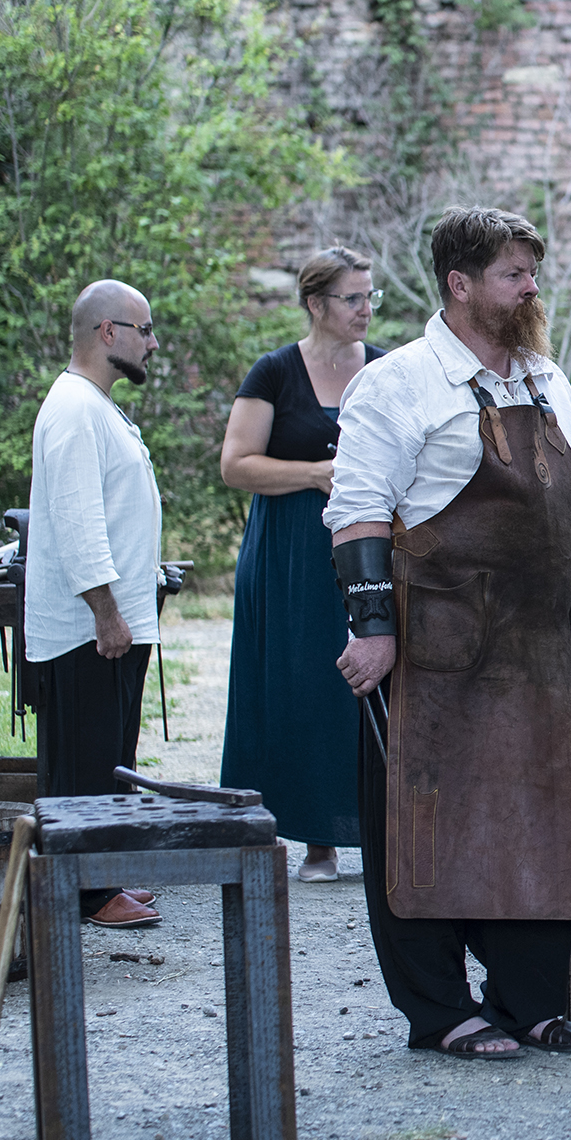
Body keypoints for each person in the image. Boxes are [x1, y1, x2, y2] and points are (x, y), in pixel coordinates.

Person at [325, 205, 571, 1060]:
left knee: (538, 821)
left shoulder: (545, 378)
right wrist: (375, 629)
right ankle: (439, 1010)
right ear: (459, 286)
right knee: (422, 828)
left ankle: (529, 999)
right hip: (435, 648)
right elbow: (354, 514)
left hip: (534, 649)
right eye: (512, 273)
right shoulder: (399, 384)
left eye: (532, 270)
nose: (531, 286)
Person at [219, 248, 387, 883]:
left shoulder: (383, 369)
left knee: (363, 681)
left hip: (366, 548)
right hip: (288, 553)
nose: (366, 310)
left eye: (370, 297)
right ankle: (311, 839)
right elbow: (237, 465)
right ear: (316, 304)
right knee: (298, 684)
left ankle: (368, 828)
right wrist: (314, 473)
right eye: (353, 298)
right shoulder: (274, 373)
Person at [26, 280, 165, 928]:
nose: (153, 342)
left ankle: (101, 876)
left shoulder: (98, 406)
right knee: (82, 764)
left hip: (115, 623)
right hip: (89, 628)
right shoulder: (74, 407)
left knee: (109, 760)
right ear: (107, 333)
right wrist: (106, 612)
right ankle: (82, 893)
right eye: (144, 329)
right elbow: (78, 520)